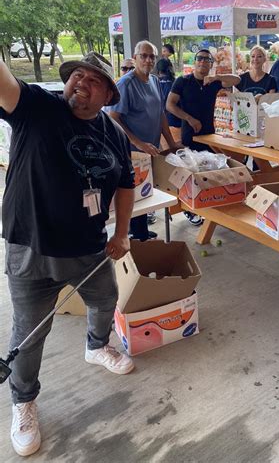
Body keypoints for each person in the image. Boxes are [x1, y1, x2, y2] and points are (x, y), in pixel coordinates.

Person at [0, 52, 136, 457]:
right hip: (31, 246)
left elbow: (127, 183)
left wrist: (124, 233)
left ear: (109, 94)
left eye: (94, 80)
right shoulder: (38, 107)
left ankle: (96, 346)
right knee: (29, 331)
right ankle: (23, 401)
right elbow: (5, 85)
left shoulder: (113, 133)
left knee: (105, 298)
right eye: (77, 75)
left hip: (88, 246)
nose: (82, 83)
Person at [107, 40, 180, 241]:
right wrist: (138, 142)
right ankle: (136, 235)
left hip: (150, 149)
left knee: (144, 191)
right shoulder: (126, 84)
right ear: (135, 57)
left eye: (152, 56)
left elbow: (160, 114)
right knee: (133, 192)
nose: (148, 60)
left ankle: (140, 231)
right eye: (143, 56)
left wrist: (171, 143)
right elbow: (113, 118)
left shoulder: (154, 81)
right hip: (130, 150)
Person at [166, 48, 240, 225]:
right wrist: (189, 118)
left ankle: (210, 206)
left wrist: (217, 78)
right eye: (200, 59)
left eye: (207, 60)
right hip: (189, 134)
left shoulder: (213, 83)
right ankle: (190, 209)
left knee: (210, 171)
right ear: (194, 62)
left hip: (209, 134)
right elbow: (170, 105)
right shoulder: (182, 81)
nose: (203, 62)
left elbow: (237, 79)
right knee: (192, 172)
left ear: (211, 64)